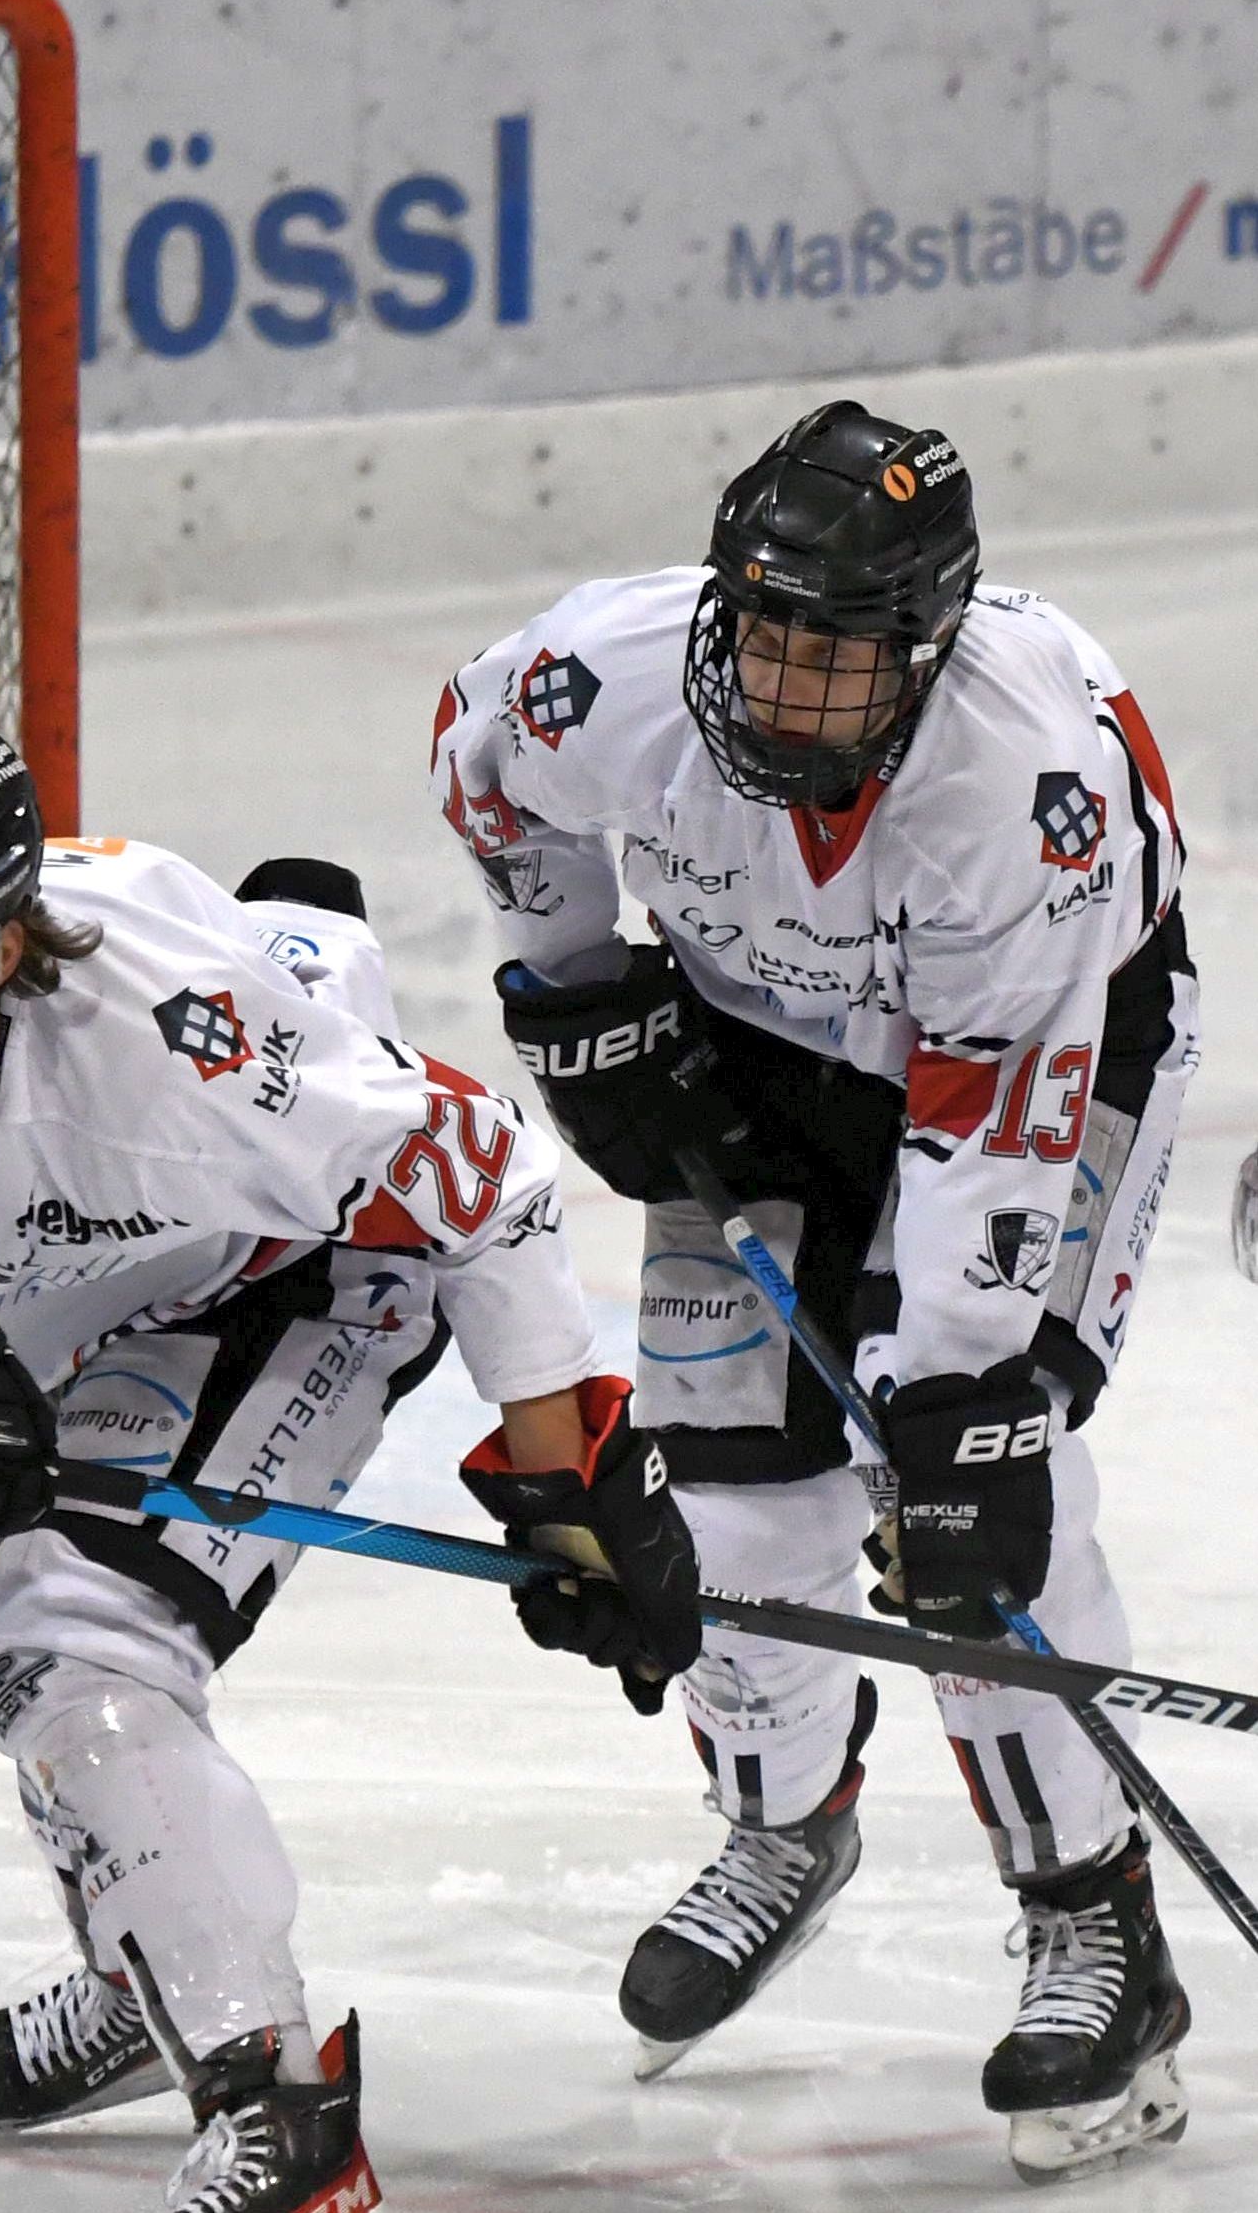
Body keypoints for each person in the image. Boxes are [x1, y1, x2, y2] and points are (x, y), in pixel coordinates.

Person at [0, 710, 702, 2213]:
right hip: (54, 1299)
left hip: (295, 1268)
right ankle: (155, 1970)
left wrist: (563, 1486)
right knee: (15, 1657)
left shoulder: (173, 1051)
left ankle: (281, 2105)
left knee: (78, 1646)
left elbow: (483, 1175)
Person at [432, 400, 1197, 2182]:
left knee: (980, 1509)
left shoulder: (1023, 790)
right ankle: (781, 1821)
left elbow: (988, 1126)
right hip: (760, 1044)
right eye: (763, 631)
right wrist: (568, 987)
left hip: (1041, 1059)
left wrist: (953, 1401)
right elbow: (479, 765)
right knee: (729, 1499)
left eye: (838, 655)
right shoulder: (601, 676)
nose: (784, 684)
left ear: (924, 650)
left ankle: (1095, 1921)